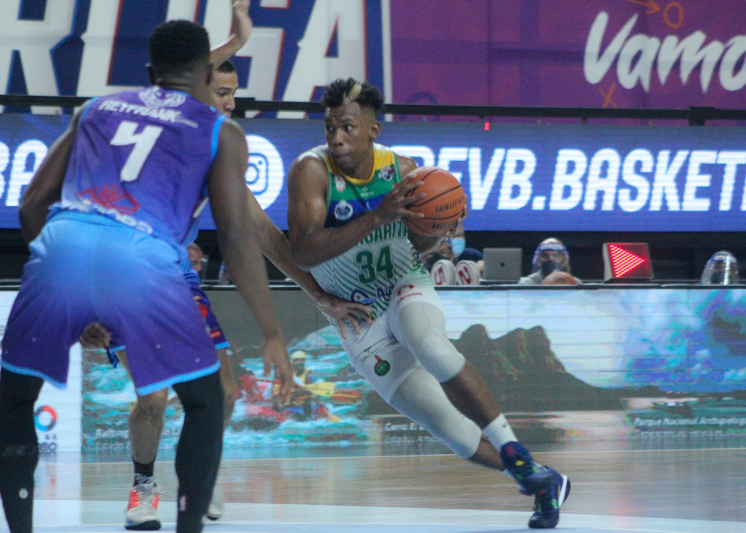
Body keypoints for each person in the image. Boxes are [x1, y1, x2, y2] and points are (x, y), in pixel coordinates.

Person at [0, 19, 294, 533]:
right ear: (206, 74)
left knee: (14, 399)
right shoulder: (220, 132)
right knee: (206, 402)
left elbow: (30, 206)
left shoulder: (96, 108)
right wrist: (271, 330)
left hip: (60, 249)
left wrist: (70, 290)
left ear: (150, 70)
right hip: (142, 262)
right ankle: (184, 519)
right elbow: (236, 236)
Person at [79, 59, 370, 530]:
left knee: (225, 393)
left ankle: (200, 472)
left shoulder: (217, 150)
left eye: (235, 93)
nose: (232, 104)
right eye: (222, 93)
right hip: (123, 280)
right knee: (153, 397)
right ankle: (143, 486)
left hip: (177, 281)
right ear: (195, 91)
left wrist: (317, 293)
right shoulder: (149, 140)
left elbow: (264, 235)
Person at [286, 78, 570, 529]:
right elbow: (302, 251)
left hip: (402, 283)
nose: (336, 138)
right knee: (450, 430)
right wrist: (378, 216)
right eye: (329, 128)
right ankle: (544, 480)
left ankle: (514, 450)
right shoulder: (310, 170)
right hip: (357, 318)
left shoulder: (404, 170)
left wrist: (440, 227)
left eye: (347, 128)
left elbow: (418, 243)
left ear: (373, 130)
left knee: (428, 343)